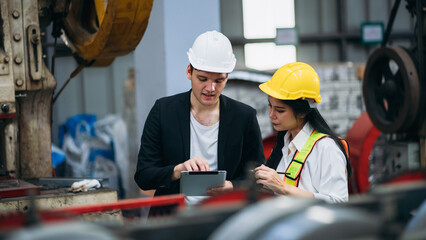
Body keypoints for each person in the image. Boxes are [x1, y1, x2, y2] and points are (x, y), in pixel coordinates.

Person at [134, 30, 264, 204]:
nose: (210, 88)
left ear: (227, 77)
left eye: (219, 81)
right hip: (175, 217)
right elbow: (144, 176)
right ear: (189, 71)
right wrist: (178, 170)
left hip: (223, 214)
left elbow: (258, 176)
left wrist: (232, 186)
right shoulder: (163, 111)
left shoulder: (243, 117)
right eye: (203, 79)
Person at [254, 62, 350, 203]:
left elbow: (339, 203)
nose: (271, 115)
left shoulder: (326, 148)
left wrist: (283, 187)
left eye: (280, 110)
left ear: (302, 113)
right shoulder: (285, 143)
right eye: (270, 106)